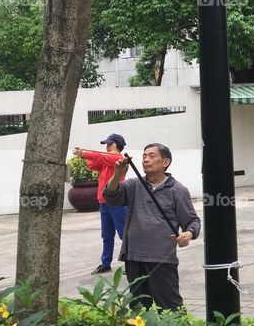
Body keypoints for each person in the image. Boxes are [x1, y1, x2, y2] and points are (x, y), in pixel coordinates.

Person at [104, 143, 200, 310]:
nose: (146, 159)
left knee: (171, 307)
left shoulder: (177, 190)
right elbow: (111, 196)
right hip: (134, 256)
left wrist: (188, 234)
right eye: (144, 156)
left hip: (161, 257)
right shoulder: (134, 185)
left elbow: (193, 221)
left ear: (165, 162)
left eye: (151, 156)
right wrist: (118, 173)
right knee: (138, 308)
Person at [72, 133, 128, 275]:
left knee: (124, 233)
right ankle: (105, 263)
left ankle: (131, 261)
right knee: (106, 235)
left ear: (118, 146)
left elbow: (101, 158)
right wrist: (90, 156)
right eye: (107, 144)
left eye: (110, 144)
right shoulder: (108, 159)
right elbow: (92, 165)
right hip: (104, 201)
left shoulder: (118, 158)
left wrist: (85, 153)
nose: (108, 146)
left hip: (117, 201)